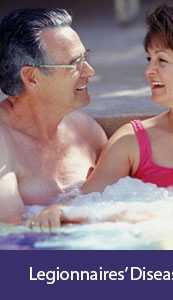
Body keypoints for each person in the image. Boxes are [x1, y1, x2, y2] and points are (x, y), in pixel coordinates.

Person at [30, 0, 173, 229]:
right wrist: (57, 212)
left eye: (163, 61)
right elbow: (85, 204)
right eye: (149, 59)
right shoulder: (131, 142)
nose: (149, 71)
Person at [0, 9, 107, 223]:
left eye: (86, 58)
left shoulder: (85, 131)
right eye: (76, 64)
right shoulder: (4, 142)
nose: (90, 71)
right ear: (32, 77)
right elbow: (10, 233)